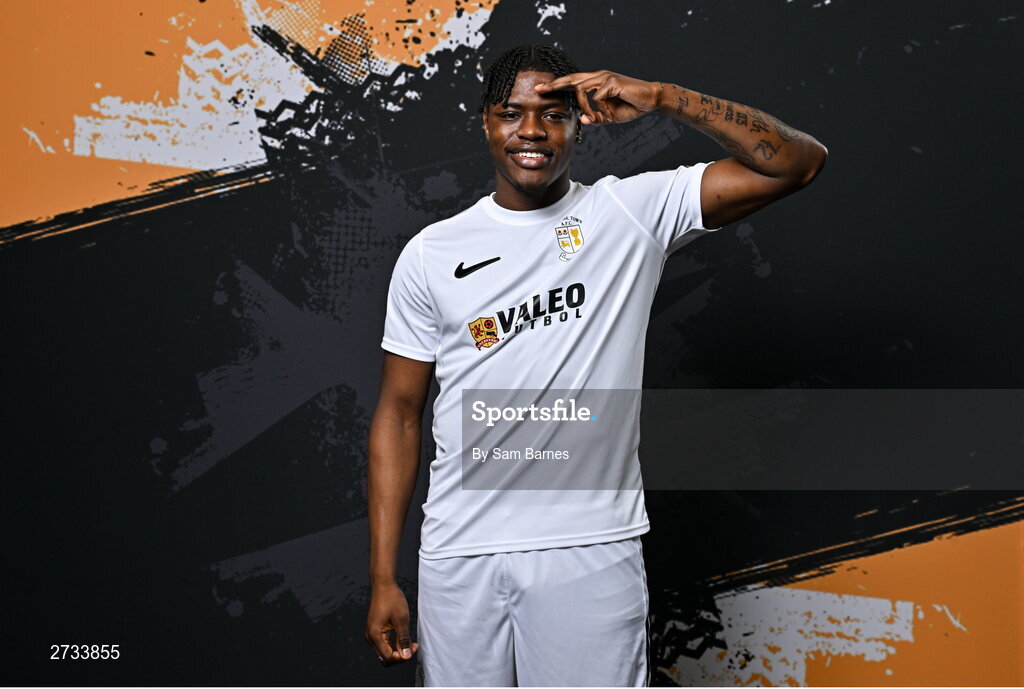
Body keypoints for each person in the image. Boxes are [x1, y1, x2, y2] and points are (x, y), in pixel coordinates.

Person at [365, 44, 826, 687]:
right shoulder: (431, 253)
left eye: (553, 114)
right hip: (458, 554)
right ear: (485, 123)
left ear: (581, 122)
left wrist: (662, 97)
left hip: (588, 549)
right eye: (511, 113)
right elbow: (399, 415)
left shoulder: (630, 213)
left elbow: (797, 163)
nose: (531, 131)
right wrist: (384, 576)